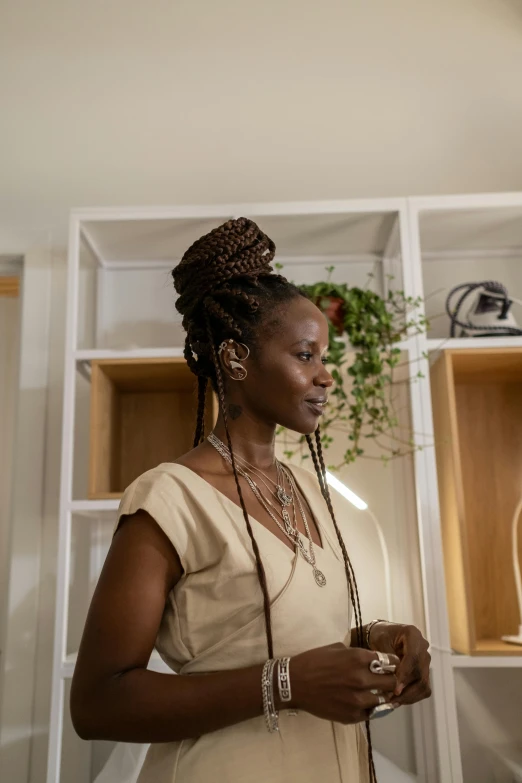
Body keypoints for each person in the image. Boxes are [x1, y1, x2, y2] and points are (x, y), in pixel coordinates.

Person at [70, 218, 431, 783]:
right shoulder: (169, 498)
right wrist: (288, 684)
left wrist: (379, 639)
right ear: (236, 359)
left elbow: (292, 635)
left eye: (323, 358)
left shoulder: (309, 489)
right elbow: (97, 703)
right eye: (306, 355)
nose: (326, 376)